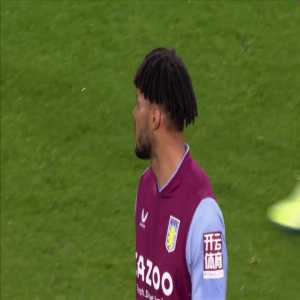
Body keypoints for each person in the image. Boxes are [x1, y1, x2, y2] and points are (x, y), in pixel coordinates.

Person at [132, 48, 227, 300]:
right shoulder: (145, 187)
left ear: (155, 118)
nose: (134, 114)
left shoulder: (204, 217)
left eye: (138, 104)